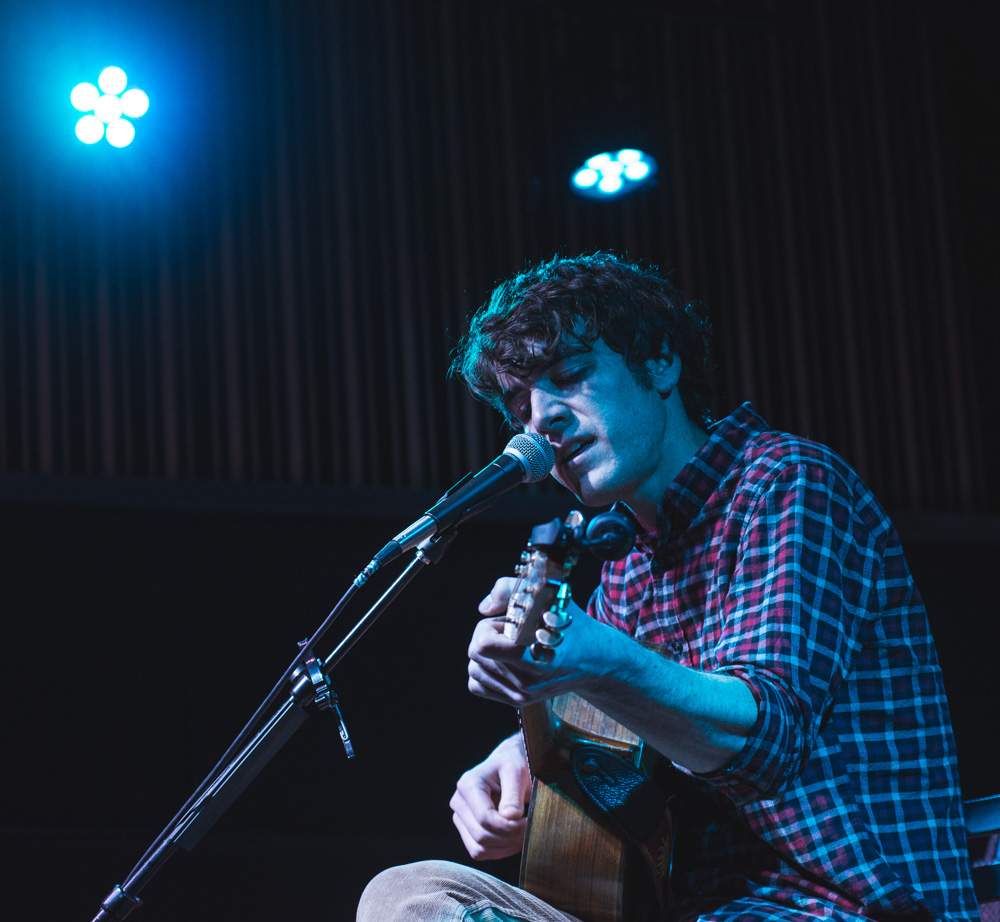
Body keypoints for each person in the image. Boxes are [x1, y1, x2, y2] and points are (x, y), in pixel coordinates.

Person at [357, 253, 978, 921]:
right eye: (521, 406)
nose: (544, 421)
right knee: (408, 897)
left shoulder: (787, 483)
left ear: (660, 362)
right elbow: (610, 728)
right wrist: (525, 758)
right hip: (691, 912)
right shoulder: (623, 565)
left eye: (570, 376)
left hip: (839, 908)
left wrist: (597, 662)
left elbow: (762, 742)